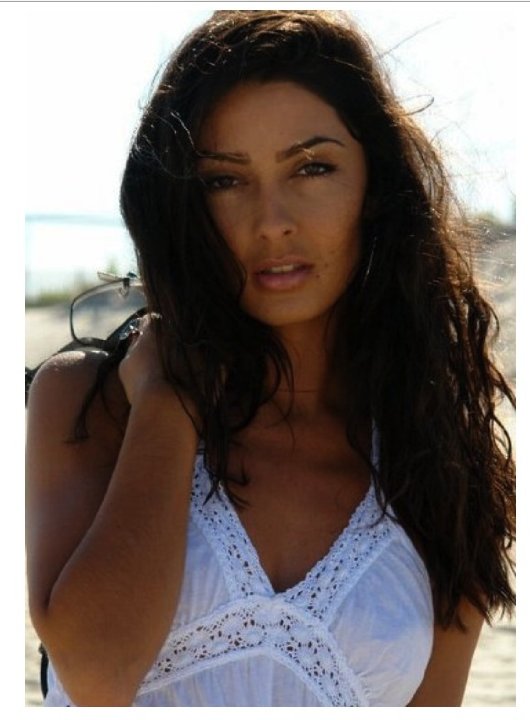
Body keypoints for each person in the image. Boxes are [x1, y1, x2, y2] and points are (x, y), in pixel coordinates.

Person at [25, 10, 515, 707]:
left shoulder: (439, 458)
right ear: (182, 202)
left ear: (375, 187)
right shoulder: (93, 405)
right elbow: (98, 675)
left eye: (312, 167)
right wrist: (168, 400)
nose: (272, 222)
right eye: (224, 180)